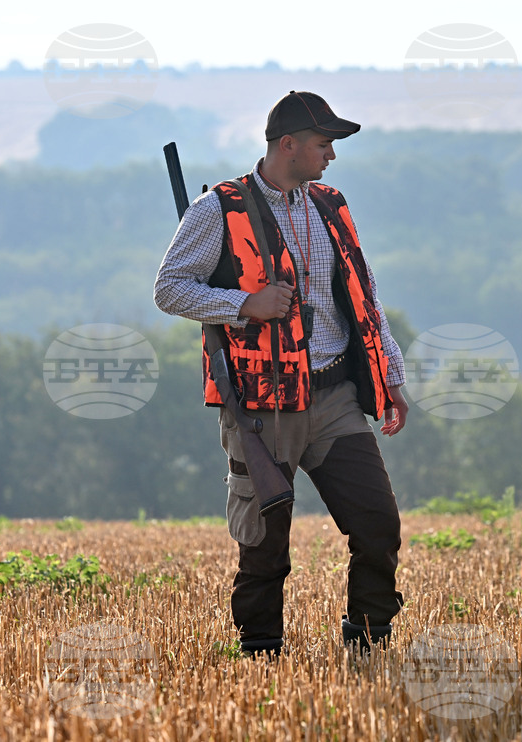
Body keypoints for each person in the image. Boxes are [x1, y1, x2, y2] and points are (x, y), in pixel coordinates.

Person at [154, 91, 408, 656]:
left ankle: (368, 641)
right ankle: (261, 652)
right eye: (324, 144)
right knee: (265, 543)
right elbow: (168, 288)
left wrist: (390, 373)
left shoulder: (331, 205)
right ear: (287, 145)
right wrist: (246, 303)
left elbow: (365, 295)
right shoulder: (218, 209)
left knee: (378, 525)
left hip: (335, 392)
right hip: (263, 403)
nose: (331, 157)